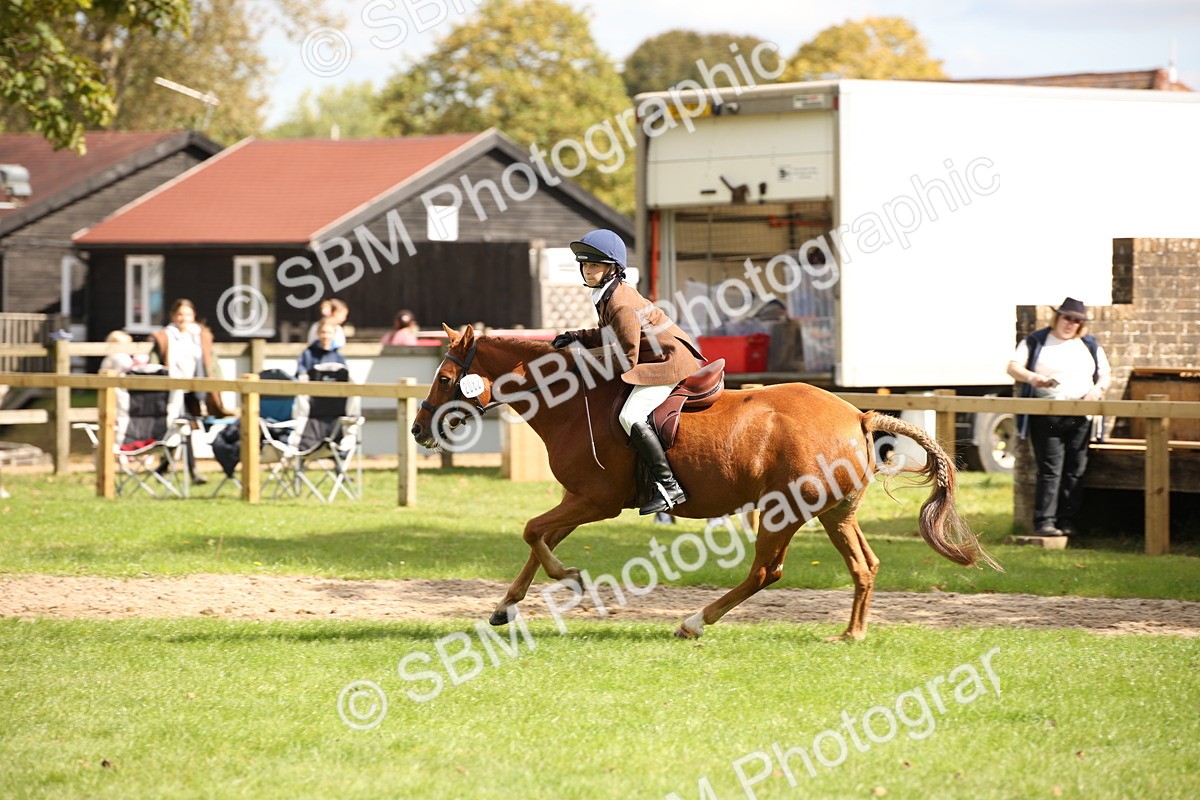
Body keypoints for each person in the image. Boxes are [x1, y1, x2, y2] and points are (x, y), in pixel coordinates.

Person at [551, 229, 704, 515]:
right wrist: (578, 337)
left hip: (664, 364)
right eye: (584, 264)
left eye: (594, 265)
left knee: (629, 415)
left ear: (613, 269)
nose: (587, 270)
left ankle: (669, 486)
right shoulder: (607, 295)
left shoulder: (620, 303)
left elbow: (626, 357)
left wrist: (584, 362)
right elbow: (608, 335)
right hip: (651, 358)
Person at [1007, 297, 1111, 536]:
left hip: (1081, 414)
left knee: (1076, 468)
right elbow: (1013, 367)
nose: (1071, 323)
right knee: (1050, 468)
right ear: (1058, 317)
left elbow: (1105, 375)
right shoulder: (1036, 340)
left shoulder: (1089, 343)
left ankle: (1067, 521)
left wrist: (1097, 390)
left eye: (1077, 320)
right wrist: (1034, 378)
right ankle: (1045, 522)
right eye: (1067, 317)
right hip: (1047, 414)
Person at [150, 299, 228, 485]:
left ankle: (163, 468)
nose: (183, 318)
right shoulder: (164, 337)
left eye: (187, 314)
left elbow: (211, 362)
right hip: (172, 388)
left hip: (195, 389)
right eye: (179, 314)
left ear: (193, 316)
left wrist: (217, 386)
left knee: (185, 429)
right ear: (173, 316)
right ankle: (191, 472)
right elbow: (154, 362)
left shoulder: (201, 336)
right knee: (182, 429)